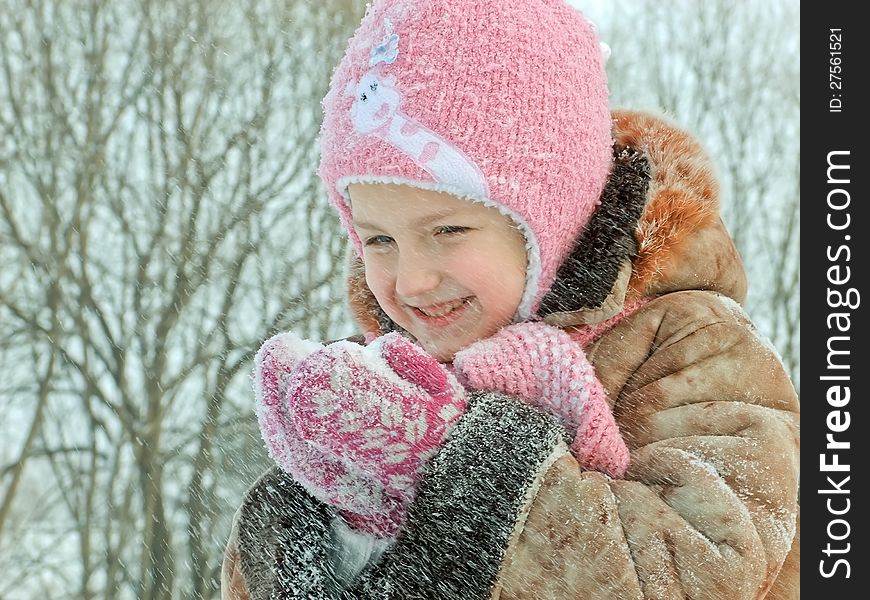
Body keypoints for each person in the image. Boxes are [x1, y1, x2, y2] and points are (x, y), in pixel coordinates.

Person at [221, 0, 800, 598]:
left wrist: (466, 467)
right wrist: (309, 533)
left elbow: (705, 566)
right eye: (379, 239)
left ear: (551, 224)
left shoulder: (691, 348)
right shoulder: (381, 376)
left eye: (448, 231)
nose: (411, 279)